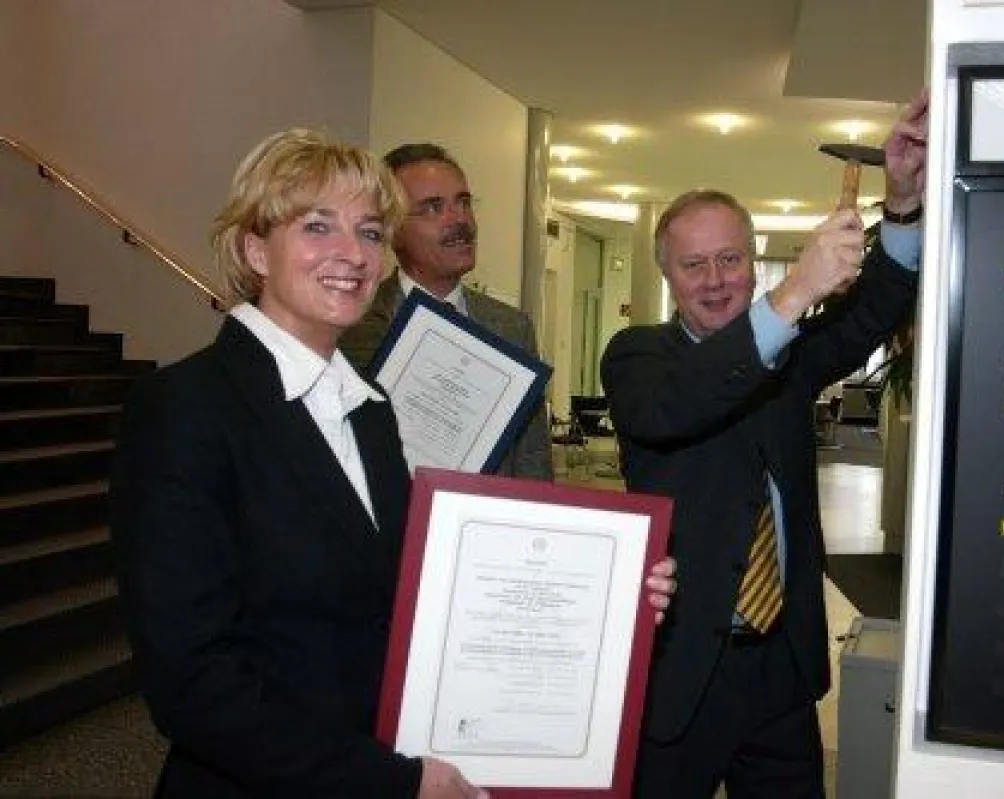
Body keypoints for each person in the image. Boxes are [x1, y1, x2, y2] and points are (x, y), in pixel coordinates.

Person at [110, 128, 675, 799]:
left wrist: (602, 594)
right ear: (255, 248)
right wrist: (389, 781)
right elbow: (191, 683)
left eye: (371, 231)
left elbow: (416, 589)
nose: (352, 254)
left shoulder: (369, 408)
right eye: (318, 226)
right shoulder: (185, 409)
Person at [601, 90, 929, 798]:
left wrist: (901, 202)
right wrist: (794, 292)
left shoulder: (791, 358)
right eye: (694, 265)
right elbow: (680, 406)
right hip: (680, 671)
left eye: (731, 259)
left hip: (781, 668)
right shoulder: (638, 358)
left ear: (752, 261)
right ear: (666, 275)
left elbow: (872, 308)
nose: (717, 281)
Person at [340, 143, 551, 481]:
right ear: (391, 231)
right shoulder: (351, 324)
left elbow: (531, 457)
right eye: (433, 207)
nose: (461, 220)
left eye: (464, 202)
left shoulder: (512, 326)